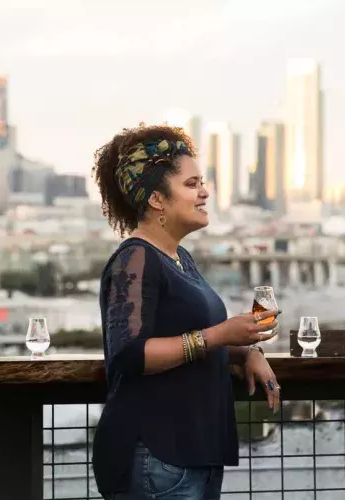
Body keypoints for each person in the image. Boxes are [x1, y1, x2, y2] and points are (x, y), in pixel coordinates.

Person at [90, 124, 283, 499]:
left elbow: (188, 338)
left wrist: (246, 352)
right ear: (157, 199)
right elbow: (129, 353)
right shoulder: (135, 258)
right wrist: (221, 335)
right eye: (192, 184)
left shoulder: (179, 259)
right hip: (157, 456)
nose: (205, 192)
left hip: (192, 454)